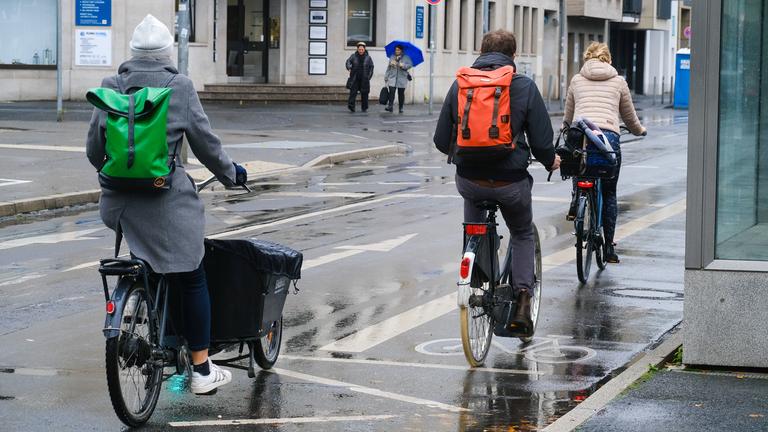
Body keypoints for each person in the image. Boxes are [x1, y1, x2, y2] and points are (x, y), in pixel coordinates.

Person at [86, 15, 246, 395]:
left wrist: (122, 175)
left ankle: (150, 323)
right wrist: (231, 174)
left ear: (133, 54)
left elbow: (95, 151)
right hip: (165, 202)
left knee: (151, 258)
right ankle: (203, 369)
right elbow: (207, 145)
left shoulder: (111, 86)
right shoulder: (180, 87)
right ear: (166, 53)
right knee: (192, 273)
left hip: (118, 205)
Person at [433, 30, 560, 329]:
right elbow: (542, 142)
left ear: (480, 51)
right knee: (522, 232)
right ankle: (522, 302)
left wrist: (464, 150)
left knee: (474, 224)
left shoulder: (461, 85)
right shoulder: (524, 86)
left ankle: (477, 273)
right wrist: (550, 160)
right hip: (510, 181)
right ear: (513, 56)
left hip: (469, 179)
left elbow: (441, 140)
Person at [563, 42, 647, 264]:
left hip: (581, 135)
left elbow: (569, 113)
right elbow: (629, 116)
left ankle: (576, 200)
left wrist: (565, 127)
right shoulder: (618, 81)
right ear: (608, 59)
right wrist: (640, 131)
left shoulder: (576, 80)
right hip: (607, 138)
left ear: (587, 58)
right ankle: (609, 248)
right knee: (609, 192)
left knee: (578, 165)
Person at [345, 41, 374, 112]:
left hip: (364, 78)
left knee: (365, 93)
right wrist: (349, 67)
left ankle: (364, 107)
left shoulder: (368, 57)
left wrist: (368, 76)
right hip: (355, 78)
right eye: (359, 49)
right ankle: (351, 107)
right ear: (357, 49)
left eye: (362, 49)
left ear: (364, 49)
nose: (361, 51)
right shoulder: (353, 56)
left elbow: (371, 67)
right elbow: (348, 62)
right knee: (353, 93)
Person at [384, 45, 412, 113]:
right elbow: (389, 67)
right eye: (396, 50)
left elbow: (410, 65)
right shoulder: (392, 57)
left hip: (401, 78)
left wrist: (403, 65)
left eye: (398, 50)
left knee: (401, 94)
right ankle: (390, 106)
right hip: (392, 78)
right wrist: (386, 76)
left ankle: (401, 107)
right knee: (391, 92)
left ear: (401, 51)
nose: (397, 51)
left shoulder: (406, 57)